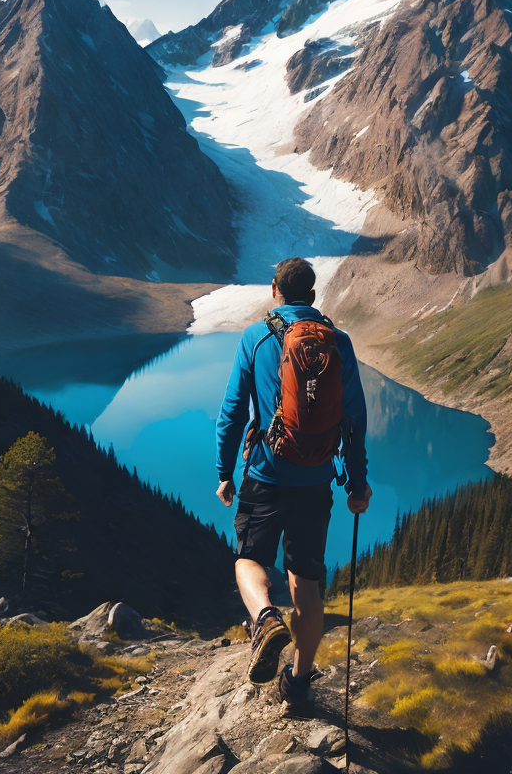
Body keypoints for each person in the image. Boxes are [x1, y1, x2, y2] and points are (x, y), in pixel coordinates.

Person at [215, 257, 371, 716]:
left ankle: (264, 619)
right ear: (314, 295)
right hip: (318, 480)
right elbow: (355, 422)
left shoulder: (255, 336)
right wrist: (357, 485)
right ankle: (300, 681)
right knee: (307, 581)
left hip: (264, 475)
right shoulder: (337, 342)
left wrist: (225, 473)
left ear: (274, 290)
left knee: (249, 559)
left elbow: (232, 413)